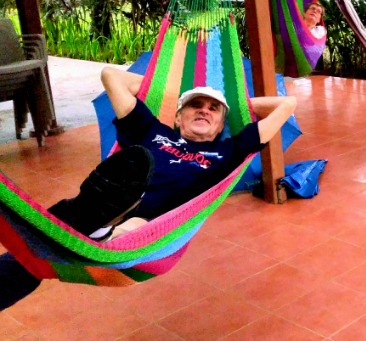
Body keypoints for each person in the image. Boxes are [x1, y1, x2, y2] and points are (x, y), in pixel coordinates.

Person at [0, 67, 297, 310]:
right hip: (101, 200)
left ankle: (101, 230)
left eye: (214, 109)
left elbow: (287, 105)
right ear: (178, 117)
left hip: (142, 220)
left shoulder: (227, 152)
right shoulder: (152, 129)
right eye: (195, 105)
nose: (204, 111)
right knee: (31, 258)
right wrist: (169, 94)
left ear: (221, 126)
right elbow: (110, 76)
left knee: (117, 227)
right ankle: (95, 223)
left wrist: (240, 104)